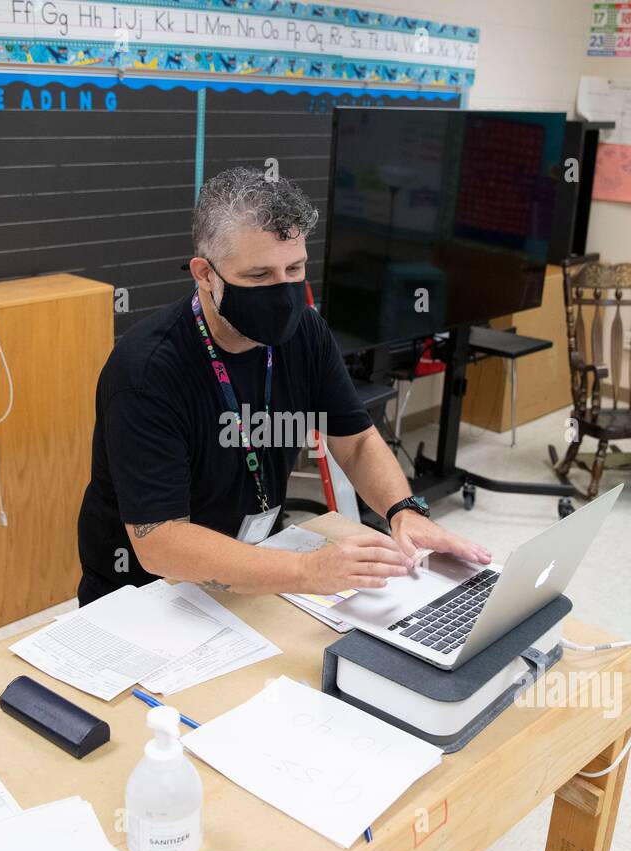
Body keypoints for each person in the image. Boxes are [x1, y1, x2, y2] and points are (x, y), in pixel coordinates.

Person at [76, 167, 490, 605]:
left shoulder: (305, 333)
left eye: (294, 268)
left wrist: (403, 510)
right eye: (259, 276)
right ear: (205, 274)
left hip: (256, 567)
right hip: (148, 595)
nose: (283, 291)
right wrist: (306, 570)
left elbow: (356, 441)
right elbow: (159, 542)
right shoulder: (147, 372)